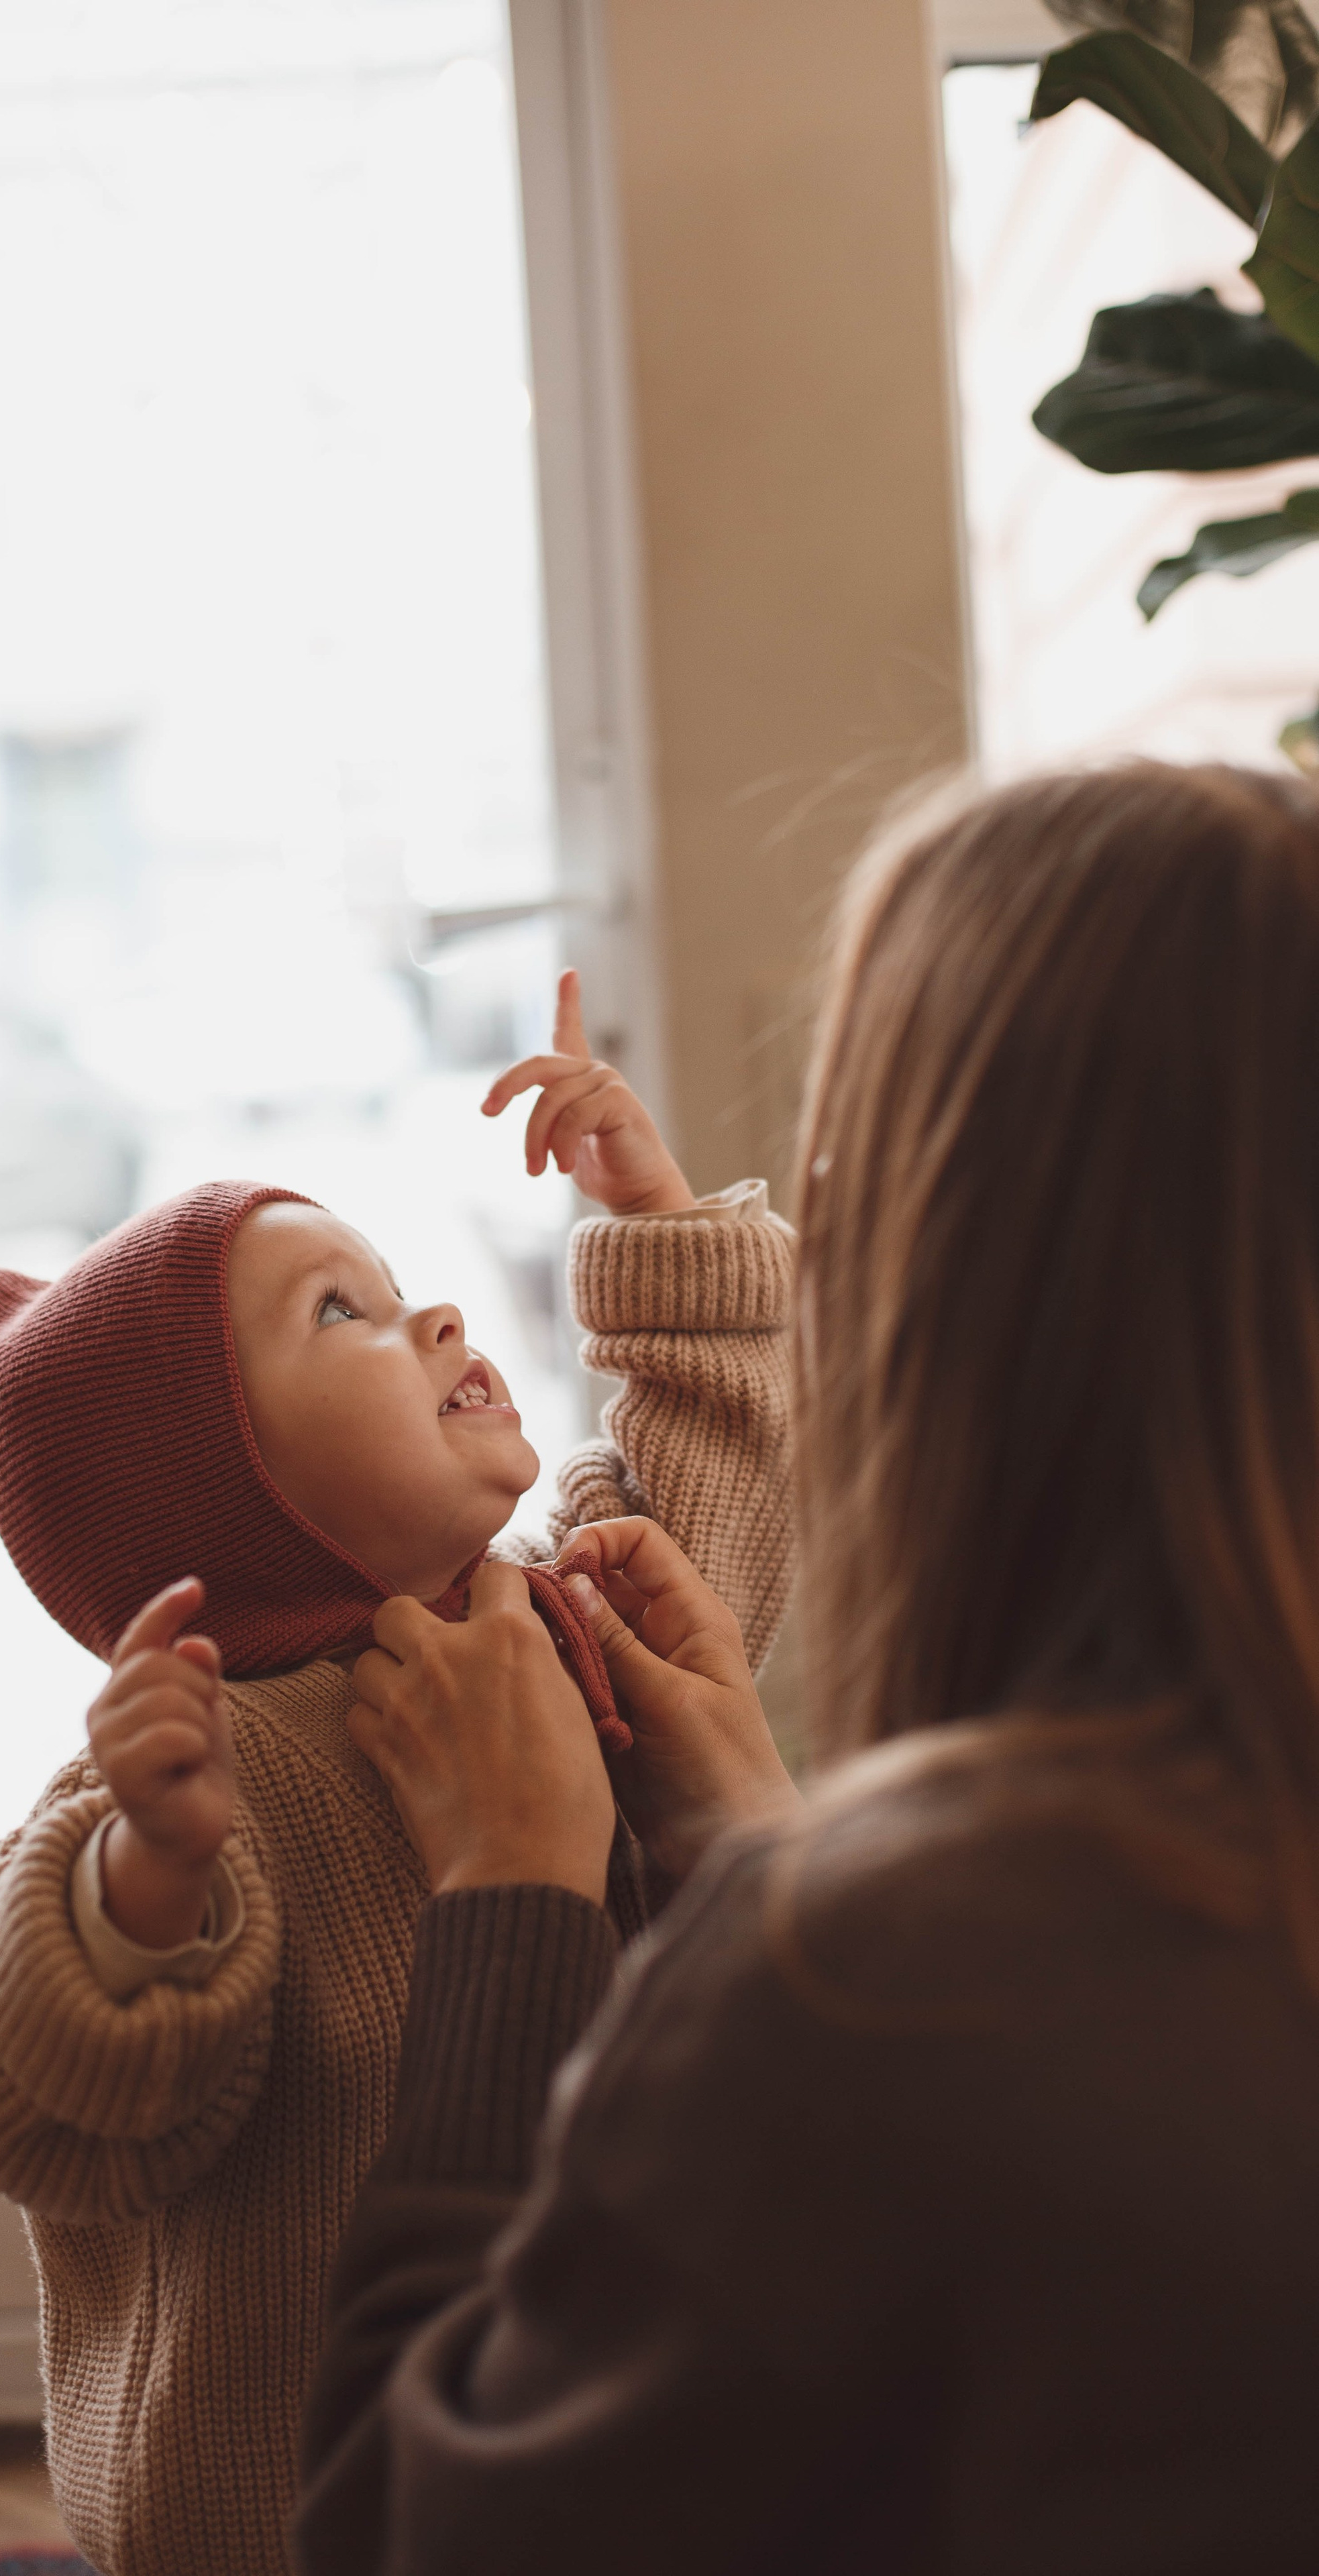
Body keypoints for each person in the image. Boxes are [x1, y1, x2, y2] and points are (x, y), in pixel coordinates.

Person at [297, 763, 1319, 2576]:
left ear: (931, 1267)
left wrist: (514, 1898)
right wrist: (774, 1854)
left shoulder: (877, 1995)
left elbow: (409, 2535)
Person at [0, 973, 798, 2576]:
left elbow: (701, 1504)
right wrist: (143, 1874)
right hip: (286, 2516)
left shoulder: (555, 1613)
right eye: (344, 1315)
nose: (439, 1317)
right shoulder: (209, 1763)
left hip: (588, 2439)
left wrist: (652, 1221)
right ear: (208, 1491)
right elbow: (39, 2072)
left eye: (397, 1286)